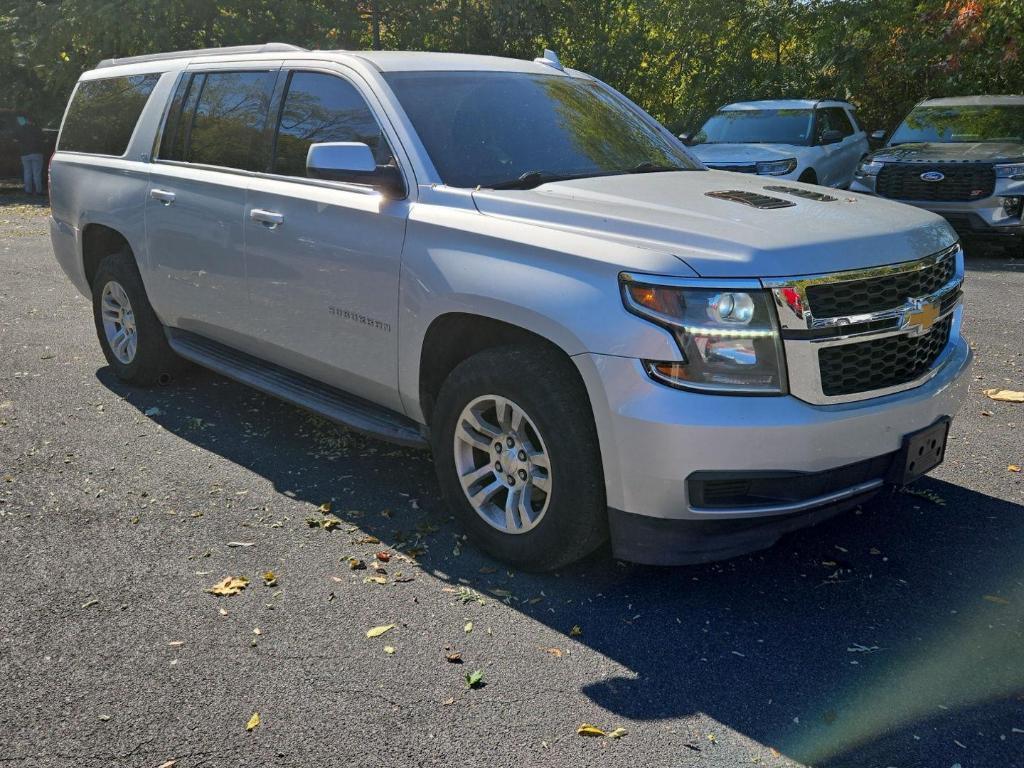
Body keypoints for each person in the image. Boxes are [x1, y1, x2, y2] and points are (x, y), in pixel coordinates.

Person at [15, 116, 45, 195]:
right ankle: (38, 191)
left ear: (26, 121)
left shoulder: (21, 129)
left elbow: (15, 139)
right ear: (32, 121)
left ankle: (28, 190)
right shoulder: (37, 129)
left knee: (27, 172)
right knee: (36, 173)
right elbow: (44, 139)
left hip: (25, 153)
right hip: (37, 153)